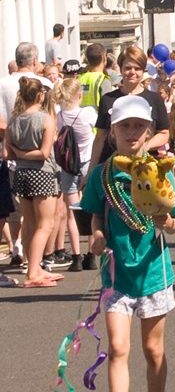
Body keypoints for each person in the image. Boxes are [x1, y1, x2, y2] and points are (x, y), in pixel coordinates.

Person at [84, 95, 175, 392]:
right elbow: (95, 215)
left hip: (154, 273)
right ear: (112, 132)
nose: (131, 132)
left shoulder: (160, 171)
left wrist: (166, 222)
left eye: (138, 126)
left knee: (153, 350)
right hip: (117, 275)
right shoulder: (102, 175)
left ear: (149, 131)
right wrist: (97, 235)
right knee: (118, 348)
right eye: (124, 126)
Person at [5, 76, 62, 287]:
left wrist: (19, 153)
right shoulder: (46, 119)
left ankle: (33, 267)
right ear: (40, 95)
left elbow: (6, 153)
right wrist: (24, 153)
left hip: (21, 173)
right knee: (45, 224)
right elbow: (44, 153)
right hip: (42, 173)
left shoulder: (14, 120)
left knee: (29, 223)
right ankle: (33, 273)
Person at [87, 46, 170, 172]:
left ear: (143, 70)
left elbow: (164, 133)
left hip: (145, 169)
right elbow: (100, 138)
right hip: (112, 168)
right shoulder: (108, 99)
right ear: (120, 69)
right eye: (128, 68)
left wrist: (145, 146)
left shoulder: (155, 99)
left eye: (137, 68)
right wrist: (91, 170)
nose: (132, 72)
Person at [53, 79, 97, 273]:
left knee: (72, 212)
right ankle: (91, 254)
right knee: (91, 209)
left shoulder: (59, 115)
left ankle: (76, 257)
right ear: (79, 95)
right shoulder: (87, 113)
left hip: (68, 166)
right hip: (88, 163)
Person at [79, 43, 112, 111]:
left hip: (79, 116)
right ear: (103, 57)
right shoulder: (103, 80)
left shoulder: (79, 78)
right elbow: (108, 106)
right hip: (97, 116)